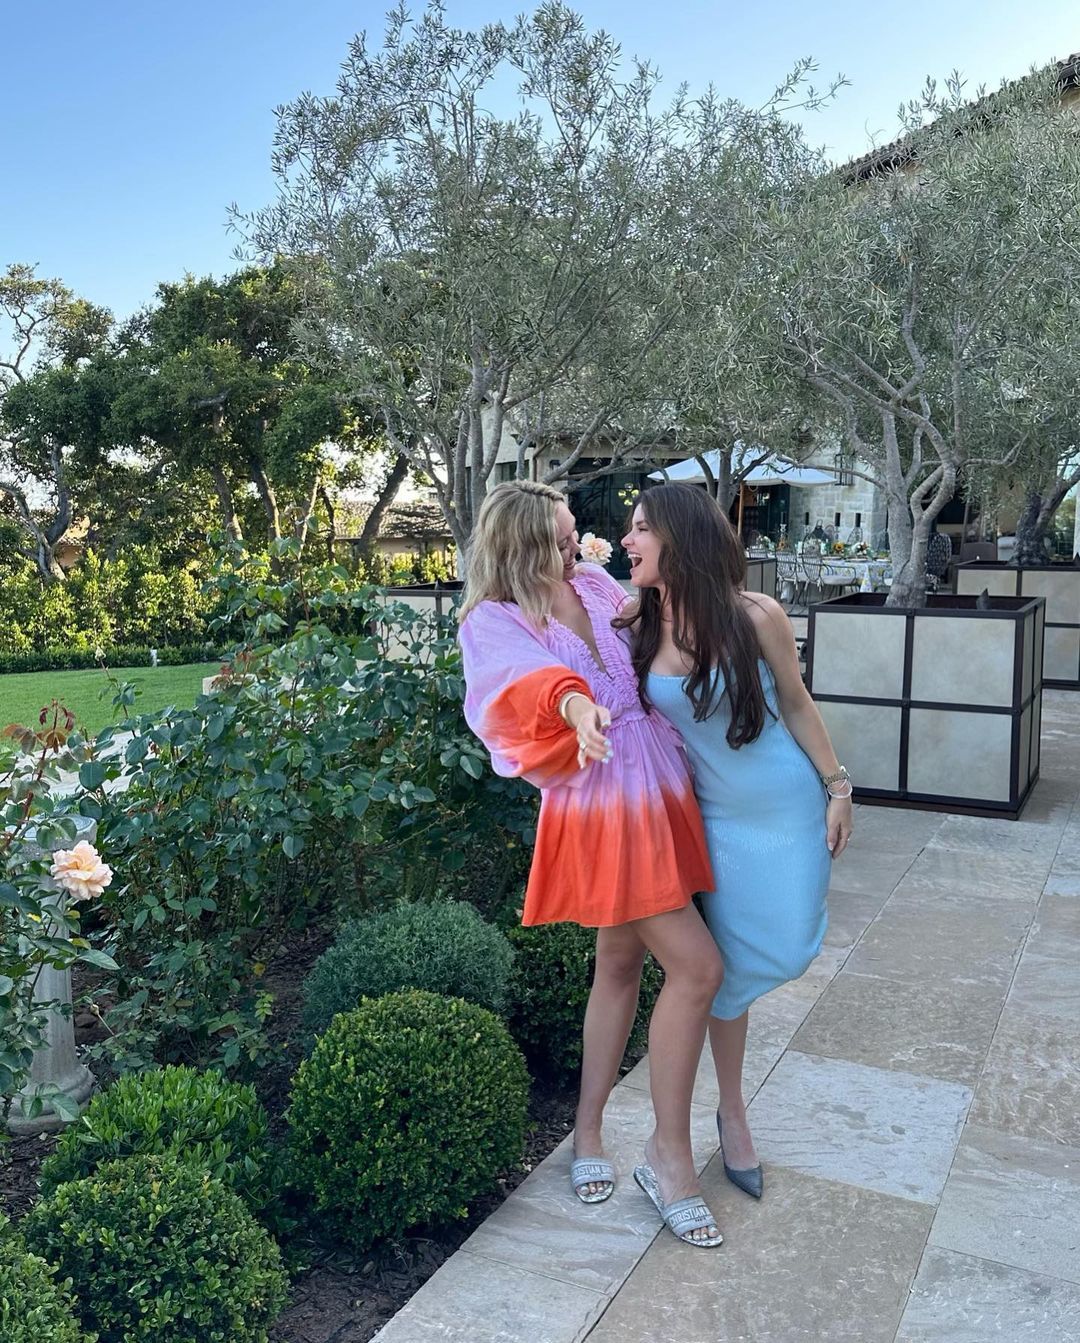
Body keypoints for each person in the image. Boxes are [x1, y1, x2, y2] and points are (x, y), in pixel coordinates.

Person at [458, 480, 725, 1247]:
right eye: (561, 538)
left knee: (618, 962)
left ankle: (587, 1131)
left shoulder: (593, 583)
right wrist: (577, 707)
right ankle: (667, 1157)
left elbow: (653, 621)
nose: (577, 546)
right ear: (520, 546)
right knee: (697, 967)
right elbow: (523, 683)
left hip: (657, 777)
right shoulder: (494, 619)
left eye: (575, 533)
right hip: (602, 800)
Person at [618, 482, 853, 1200]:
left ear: (679, 536)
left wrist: (838, 786)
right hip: (709, 823)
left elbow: (796, 703)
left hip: (783, 808)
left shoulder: (756, 616)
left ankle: (728, 1110)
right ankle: (732, 1111)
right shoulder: (637, 622)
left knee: (786, 945)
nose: (626, 541)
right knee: (727, 967)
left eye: (640, 529)